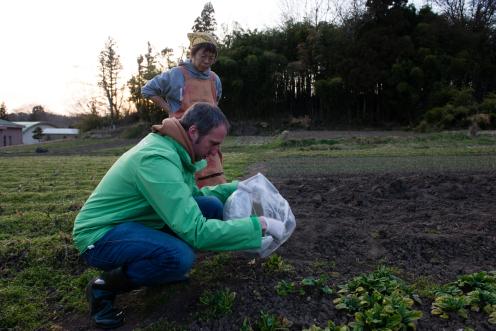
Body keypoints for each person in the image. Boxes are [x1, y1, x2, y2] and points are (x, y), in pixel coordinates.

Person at [72, 103, 285, 329]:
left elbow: (191, 197)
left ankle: (160, 268)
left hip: (138, 221)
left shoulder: (177, 149)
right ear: (193, 132)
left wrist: (235, 187)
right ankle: (103, 287)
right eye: (213, 143)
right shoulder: (157, 159)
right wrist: (258, 225)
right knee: (179, 257)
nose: (215, 152)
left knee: (210, 205)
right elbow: (196, 231)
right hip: (101, 234)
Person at [141, 32, 225, 188]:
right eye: (203, 56)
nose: (207, 61)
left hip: (208, 140)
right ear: (192, 54)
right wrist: (169, 110)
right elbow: (148, 90)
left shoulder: (214, 79)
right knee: (187, 180)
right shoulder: (176, 75)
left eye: (211, 58)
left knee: (214, 180)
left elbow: (216, 103)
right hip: (183, 138)